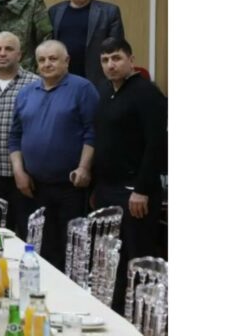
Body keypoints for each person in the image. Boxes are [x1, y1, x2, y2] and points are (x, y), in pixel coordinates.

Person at [8, 40, 99, 270]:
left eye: (53, 59)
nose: (47, 64)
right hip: (34, 187)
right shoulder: (26, 93)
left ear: (66, 61)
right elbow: (15, 136)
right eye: (42, 60)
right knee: (40, 250)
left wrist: (84, 167)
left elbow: (93, 132)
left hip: (70, 187)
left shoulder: (83, 89)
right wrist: (18, 172)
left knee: (71, 251)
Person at [93, 38, 167, 311]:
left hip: (135, 191)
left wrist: (142, 189)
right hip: (107, 188)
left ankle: (143, 316)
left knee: (137, 258)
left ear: (131, 60)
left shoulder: (147, 93)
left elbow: (157, 145)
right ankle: (115, 314)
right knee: (113, 256)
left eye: (116, 58)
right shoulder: (105, 91)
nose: (110, 65)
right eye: (105, 60)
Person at [0, 31, 39, 238]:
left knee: (24, 236)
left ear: (20, 54)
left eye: (8, 49)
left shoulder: (35, 84)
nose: (2, 53)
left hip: (22, 175)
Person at [48, 0, 125, 86]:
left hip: (97, 78)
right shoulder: (54, 11)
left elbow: (116, 48)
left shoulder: (109, 12)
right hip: (62, 77)